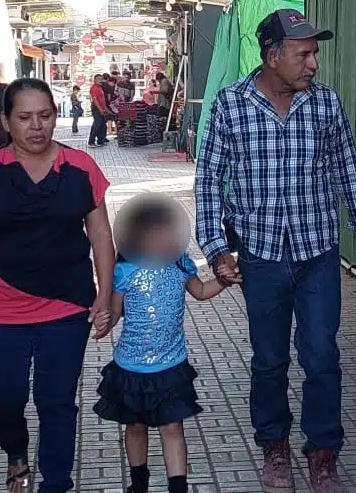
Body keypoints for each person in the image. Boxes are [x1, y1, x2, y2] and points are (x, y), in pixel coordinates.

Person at [195, 9, 356, 493]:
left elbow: (347, 168)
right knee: (268, 359)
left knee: (321, 355)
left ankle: (323, 455)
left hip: (317, 251)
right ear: (272, 56)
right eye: (304, 54)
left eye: (314, 53)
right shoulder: (230, 106)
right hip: (259, 254)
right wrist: (218, 248)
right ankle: (274, 449)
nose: (314, 64)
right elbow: (209, 183)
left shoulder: (325, 105)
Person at [0, 78, 114, 493]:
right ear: (5, 121)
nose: (36, 126)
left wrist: (105, 296)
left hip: (66, 307)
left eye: (45, 116)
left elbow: (101, 238)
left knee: (56, 403)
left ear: (56, 117)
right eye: (24, 117)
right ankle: (16, 453)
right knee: (1, 400)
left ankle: (55, 483)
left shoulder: (81, 169)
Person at [93, 195, 240, 493]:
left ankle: (178, 486)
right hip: (131, 367)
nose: (160, 240)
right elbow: (114, 312)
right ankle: (139, 482)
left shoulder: (181, 264)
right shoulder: (125, 271)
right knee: (134, 426)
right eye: (151, 234)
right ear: (135, 237)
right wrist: (102, 317)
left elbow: (200, 291)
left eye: (165, 233)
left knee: (172, 426)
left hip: (171, 365)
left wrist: (224, 282)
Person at [89, 74, 110, 148]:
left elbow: (102, 100)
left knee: (102, 125)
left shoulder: (100, 88)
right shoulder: (94, 88)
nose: (100, 80)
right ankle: (91, 141)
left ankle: (100, 140)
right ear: (94, 80)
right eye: (98, 79)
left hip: (102, 108)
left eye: (101, 79)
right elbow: (95, 100)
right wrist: (100, 109)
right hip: (97, 109)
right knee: (96, 125)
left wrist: (105, 109)